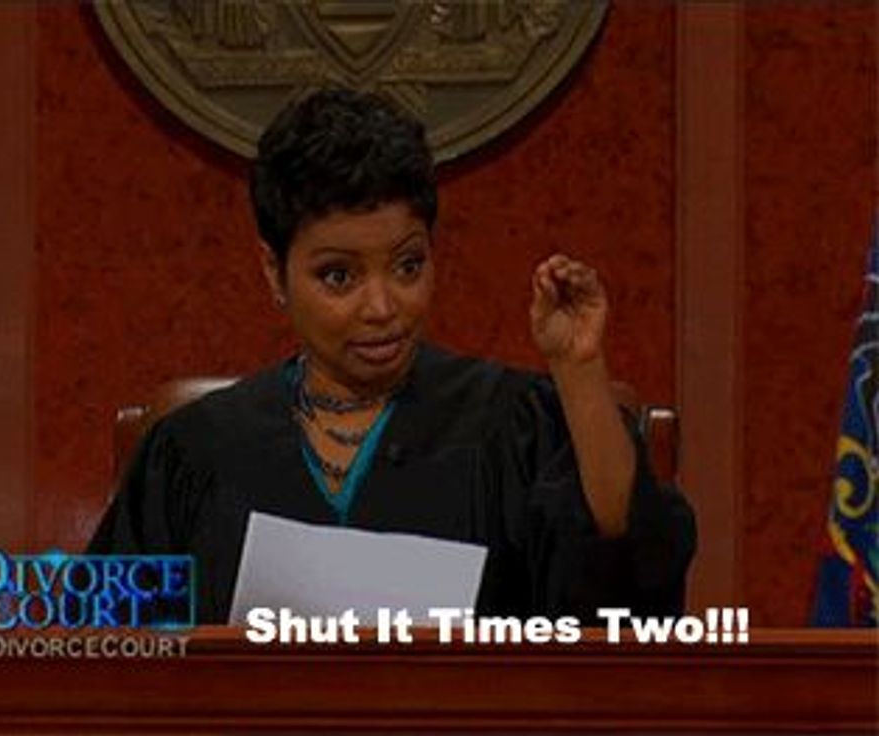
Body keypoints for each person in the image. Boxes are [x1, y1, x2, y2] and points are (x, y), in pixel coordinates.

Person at [88, 88, 696, 624]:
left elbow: (627, 595)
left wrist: (579, 368)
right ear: (274, 271)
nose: (382, 307)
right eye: (338, 276)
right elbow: (109, 656)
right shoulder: (197, 452)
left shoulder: (516, 429)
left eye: (408, 265)